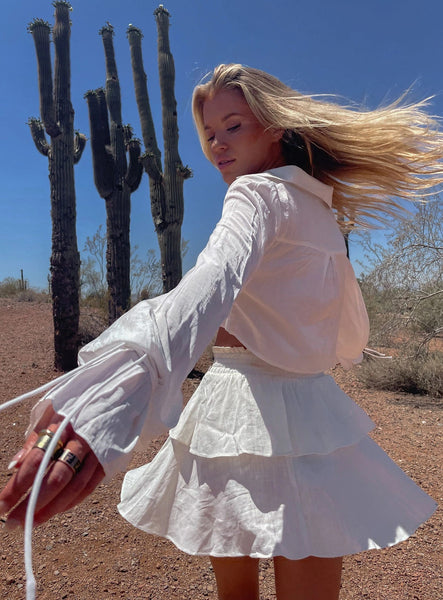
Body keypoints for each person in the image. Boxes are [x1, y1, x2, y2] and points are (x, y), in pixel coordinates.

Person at [1, 64, 442, 600]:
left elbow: (214, 278)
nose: (217, 146)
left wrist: (124, 378)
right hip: (312, 411)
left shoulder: (254, 196)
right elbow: (349, 333)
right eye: (210, 133)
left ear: (275, 125)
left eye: (233, 126)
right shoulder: (324, 216)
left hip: (234, 408)